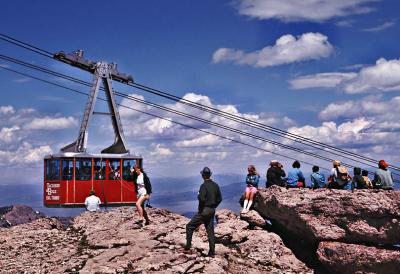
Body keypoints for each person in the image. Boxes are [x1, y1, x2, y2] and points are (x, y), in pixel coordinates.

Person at [184, 167, 222, 257]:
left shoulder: (203, 186)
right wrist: (213, 206)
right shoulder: (215, 185)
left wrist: (199, 197)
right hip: (212, 210)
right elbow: (220, 199)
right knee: (210, 232)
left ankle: (187, 247)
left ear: (203, 175)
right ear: (210, 175)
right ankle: (212, 253)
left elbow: (201, 198)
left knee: (189, 226)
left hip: (204, 211)